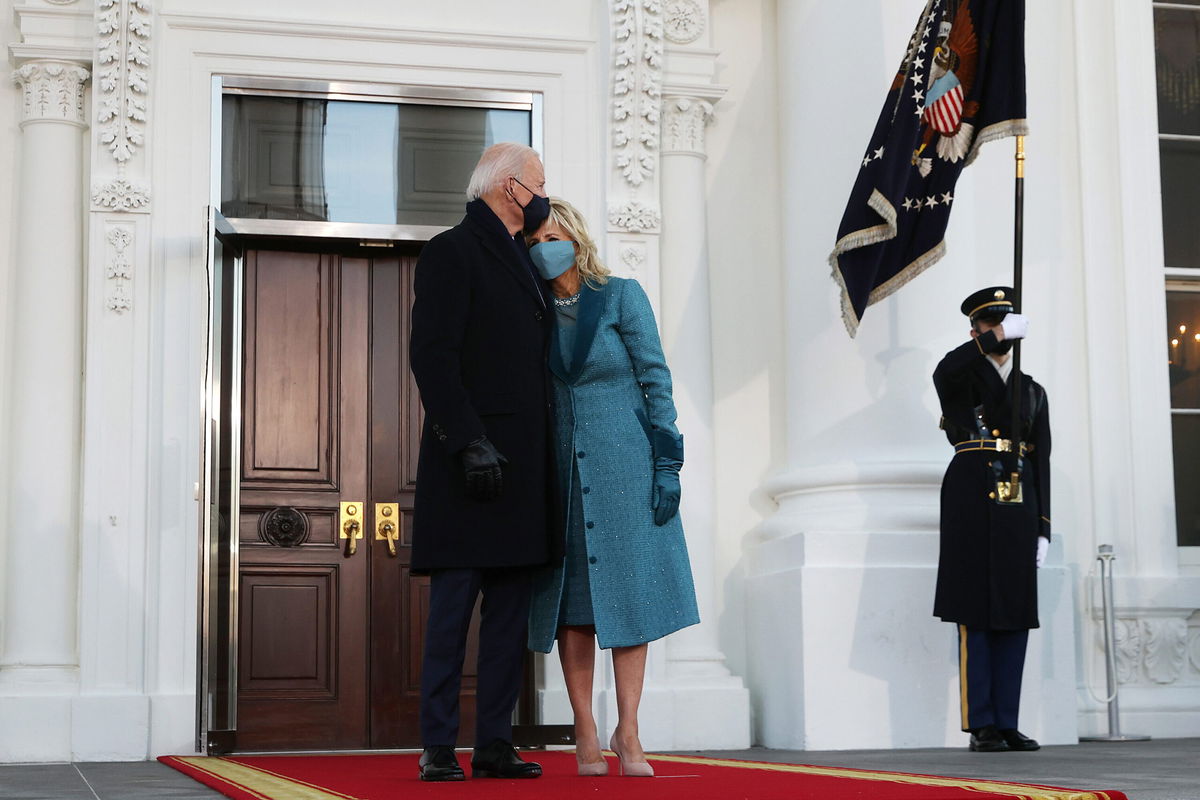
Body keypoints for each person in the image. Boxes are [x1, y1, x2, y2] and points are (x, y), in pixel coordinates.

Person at [524, 198, 699, 777]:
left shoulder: (621, 295)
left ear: (574, 235)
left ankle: (629, 731)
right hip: (563, 472)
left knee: (633, 599)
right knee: (575, 607)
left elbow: (655, 377)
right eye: (533, 242)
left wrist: (667, 463)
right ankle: (585, 728)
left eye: (552, 235)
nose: (544, 247)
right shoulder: (534, 310)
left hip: (626, 466)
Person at [408, 142, 562, 782]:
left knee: (507, 620)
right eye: (541, 184)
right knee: (452, 615)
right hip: (469, 468)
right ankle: (438, 745)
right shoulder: (452, 250)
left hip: (522, 468)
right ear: (511, 188)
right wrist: (467, 441)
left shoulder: (526, 262)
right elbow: (432, 356)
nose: (545, 196)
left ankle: (494, 744)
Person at [932, 286, 1051, 753]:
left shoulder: (1033, 391)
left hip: (1017, 500)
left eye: (1005, 324)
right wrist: (989, 341)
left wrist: (1043, 525)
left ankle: (1007, 720)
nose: (1000, 333)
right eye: (990, 325)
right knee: (976, 610)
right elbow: (945, 370)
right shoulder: (960, 377)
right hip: (970, 493)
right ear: (975, 331)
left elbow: (1040, 457)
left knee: (1014, 611)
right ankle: (980, 722)